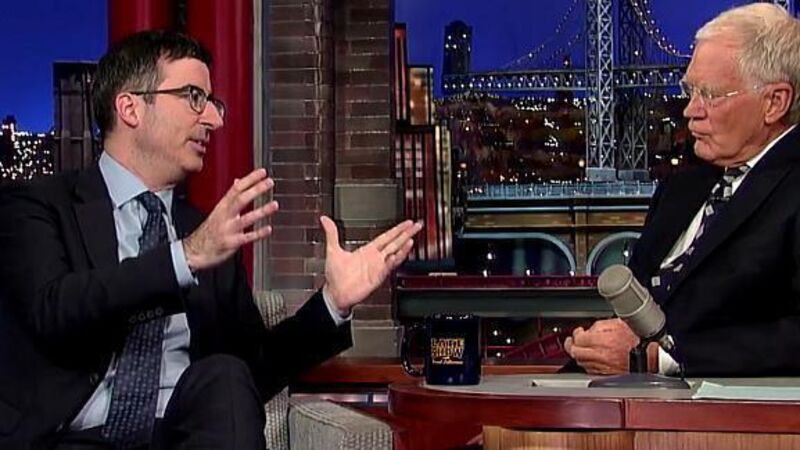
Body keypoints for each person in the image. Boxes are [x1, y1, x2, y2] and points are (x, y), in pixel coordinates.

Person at [0, 30, 421, 449]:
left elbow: (252, 371)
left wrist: (333, 303)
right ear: (130, 108)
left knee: (225, 373)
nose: (214, 120)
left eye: (212, 102)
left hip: (184, 439)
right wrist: (183, 258)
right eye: (193, 97)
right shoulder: (38, 205)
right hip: (69, 439)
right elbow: (54, 310)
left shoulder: (207, 234)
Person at [565, 3, 800, 377]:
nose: (690, 110)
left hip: (724, 407)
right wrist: (594, 347)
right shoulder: (680, 190)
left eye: (710, 95)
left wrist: (660, 361)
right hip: (614, 395)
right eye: (690, 91)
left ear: (775, 102)